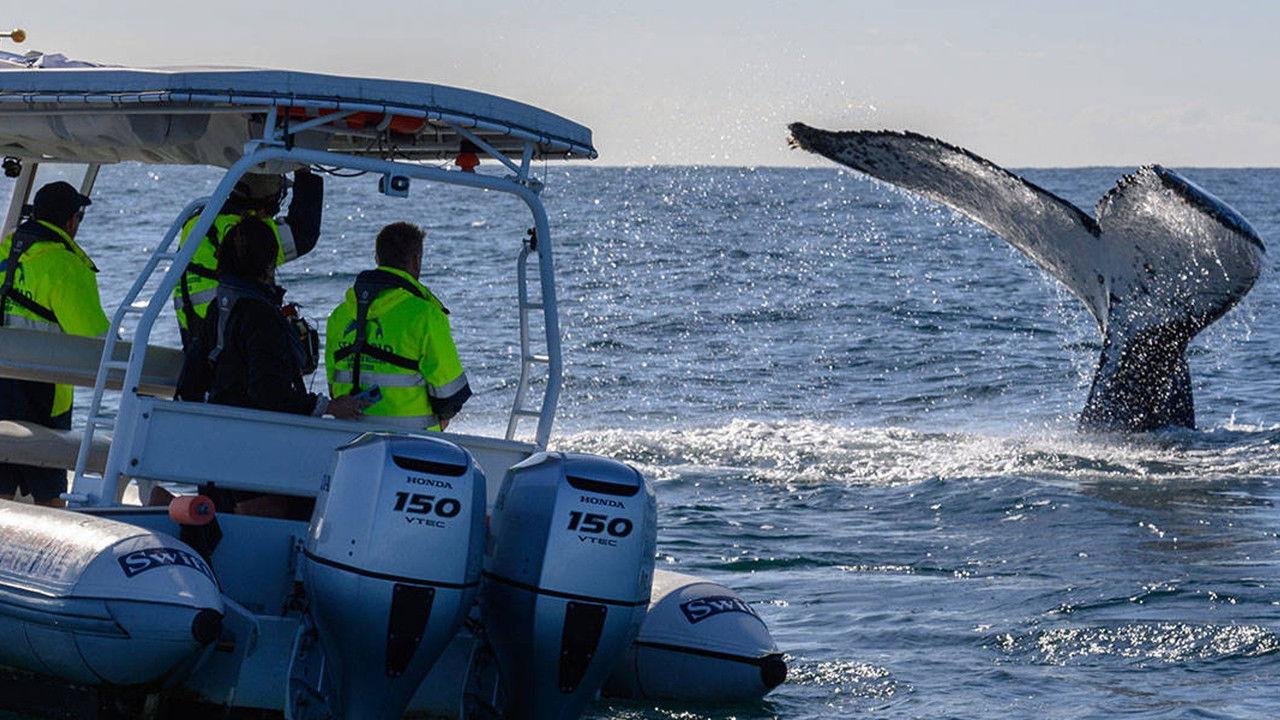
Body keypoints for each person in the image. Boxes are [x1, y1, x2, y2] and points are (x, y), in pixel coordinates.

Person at [178, 216, 365, 421]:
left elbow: (191, 379)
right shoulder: (260, 316)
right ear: (269, 264)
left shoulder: (220, 307)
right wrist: (328, 407)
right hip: (254, 431)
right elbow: (269, 391)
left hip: (221, 422)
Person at [0, 181, 109, 507]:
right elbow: (96, 340)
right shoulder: (64, 265)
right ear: (71, 221)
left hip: (1, 388)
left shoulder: (5, 251)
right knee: (49, 491)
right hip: (42, 396)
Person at [325, 222, 471, 431]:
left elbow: (333, 386)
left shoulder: (339, 316)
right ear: (416, 260)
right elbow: (450, 396)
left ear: (377, 259)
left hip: (349, 440)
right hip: (413, 446)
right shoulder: (426, 315)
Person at [173, 168, 323, 347]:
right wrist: (304, 173)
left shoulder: (199, 221)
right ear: (267, 201)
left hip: (197, 340)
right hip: (233, 342)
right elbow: (303, 234)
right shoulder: (247, 232)